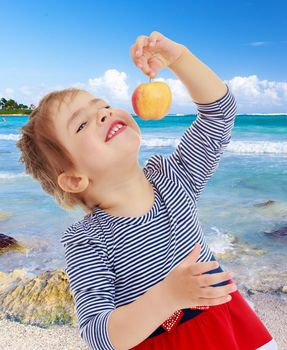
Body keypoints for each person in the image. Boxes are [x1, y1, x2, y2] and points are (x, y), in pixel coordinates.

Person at [16, 31, 278, 350]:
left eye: (104, 106)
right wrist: (167, 296)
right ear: (74, 180)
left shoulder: (173, 178)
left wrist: (178, 57)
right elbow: (99, 334)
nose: (104, 113)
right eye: (81, 125)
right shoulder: (86, 241)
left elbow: (220, 113)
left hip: (227, 321)